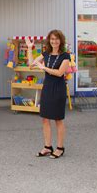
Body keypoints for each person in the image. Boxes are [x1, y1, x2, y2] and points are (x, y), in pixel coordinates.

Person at [26, 30, 70, 159]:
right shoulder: (46, 54)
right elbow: (31, 65)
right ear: (49, 41)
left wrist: (44, 68)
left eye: (56, 39)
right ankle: (47, 147)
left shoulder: (65, 56)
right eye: (52, 39)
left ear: (61, 41)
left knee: (58, 119)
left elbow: (59, 73)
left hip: (58, 89)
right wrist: (29, 48)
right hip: (47, 88)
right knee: (45, 119)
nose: (54, 41)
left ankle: (60, 148)